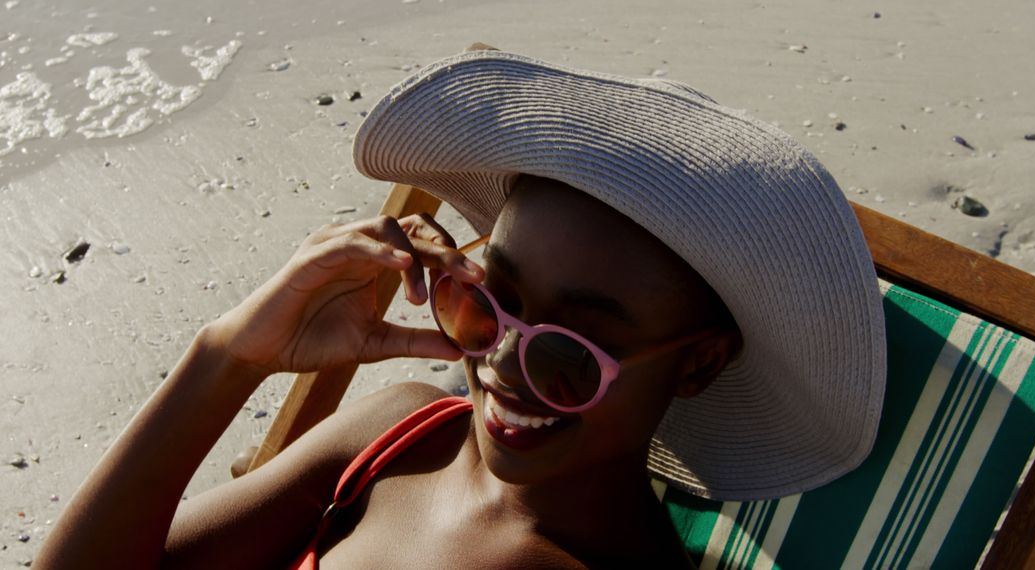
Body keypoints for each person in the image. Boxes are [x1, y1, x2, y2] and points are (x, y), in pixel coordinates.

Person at [36, 50, 886, 568]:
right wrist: (228, 356)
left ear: (697, 361)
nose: (502, 366)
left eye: (571, 353)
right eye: (488, 300)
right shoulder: (406, 434)